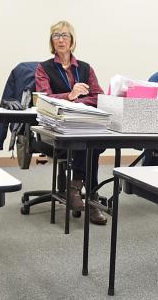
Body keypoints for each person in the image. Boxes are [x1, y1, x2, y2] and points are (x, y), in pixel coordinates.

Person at [32, 20, 107, 225]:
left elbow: (99, 96)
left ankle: (75, 187)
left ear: (72, 40)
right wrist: (71, 96)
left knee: (94, 141)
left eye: (65, 35)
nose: (61, 39)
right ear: (51, 41)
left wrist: (78, 100)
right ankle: (91, 199)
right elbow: (45, 99)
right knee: (87, 144)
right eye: (56, 35)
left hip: (82, 121)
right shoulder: (43, 68)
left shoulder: (85, 68)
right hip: (56, 126)